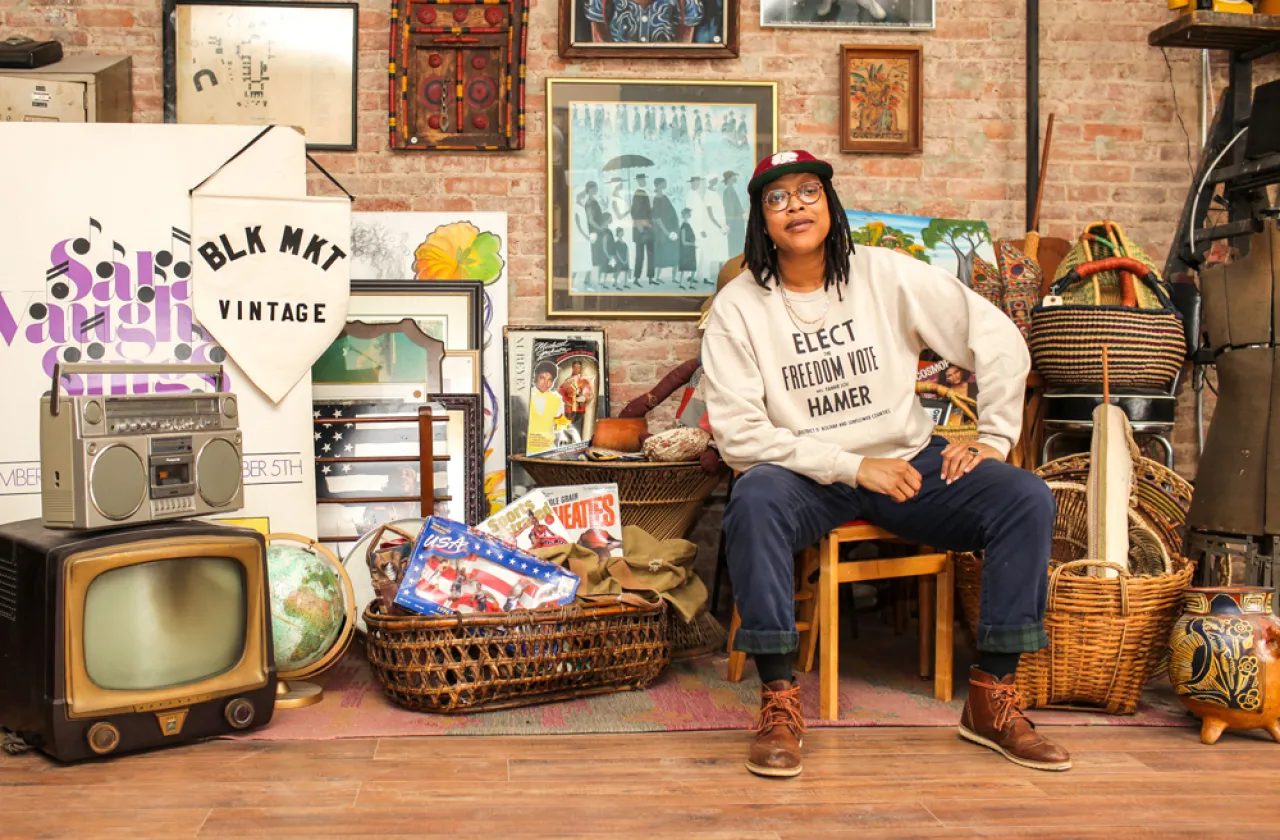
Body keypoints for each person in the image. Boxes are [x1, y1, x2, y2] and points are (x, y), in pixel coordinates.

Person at [701, 149, 1068, 779]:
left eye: (809, 191)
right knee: (753, 500)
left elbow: (998, 334)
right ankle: (779, 702)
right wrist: (851, 465)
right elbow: (739, 437)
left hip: (908, 461)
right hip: (806, 474)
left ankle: (991, 699)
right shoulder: (739, 306)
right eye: (777, 198)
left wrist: (996, 436)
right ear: (761, 220)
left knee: (1023, 498)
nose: (795, 206)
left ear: (829, 204)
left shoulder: (885, 273)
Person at [526, 361, 568, 454]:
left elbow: (560, 426)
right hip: (527, 449)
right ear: (535, 377)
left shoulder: (558, 399)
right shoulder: (526, 396)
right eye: (542, 378)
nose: (545, 383)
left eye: (550, 380)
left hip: (549, 449)